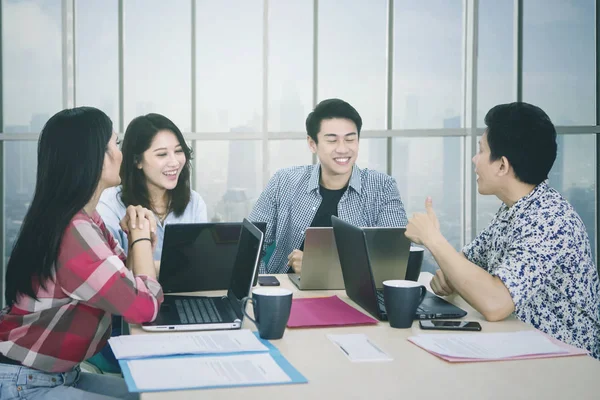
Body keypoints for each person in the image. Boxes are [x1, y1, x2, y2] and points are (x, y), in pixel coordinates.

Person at [405, 102, 600, 358]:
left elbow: (495, 304)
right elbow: (459, 270)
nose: (475, 160)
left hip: (567, 365)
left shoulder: (549, 220)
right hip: (521, 345)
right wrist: (453, 274)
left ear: (502, 165)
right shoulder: (514, 210)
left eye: (481, 150)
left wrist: (433, 239)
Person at [0, 107, 163, 399]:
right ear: (93, 157)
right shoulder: (74, 233)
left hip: (59, 375)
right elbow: (144, 308)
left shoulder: (84, 220)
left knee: (152, 394)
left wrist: (139, 238)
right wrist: (140, 239)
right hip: (24, 381)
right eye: (115, 144)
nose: (121, 154)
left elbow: (123, 281)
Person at [249, 98, 408, 274]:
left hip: (356, 296)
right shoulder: (284, 181)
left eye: (350, 139)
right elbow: (251, 246)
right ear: (312, 144)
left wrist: (321, 267)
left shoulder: (382, 188)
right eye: (332, 140)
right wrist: (266, 288)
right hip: (288, 293)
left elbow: (393, 260)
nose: (342, 149)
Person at [98, 113, 207, 261]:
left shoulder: (194, 202)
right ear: (137, 161)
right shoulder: (109, 204)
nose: (174, 162)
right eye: (162, 154)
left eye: (179, 151)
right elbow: (112, 270)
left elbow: (200, 263)